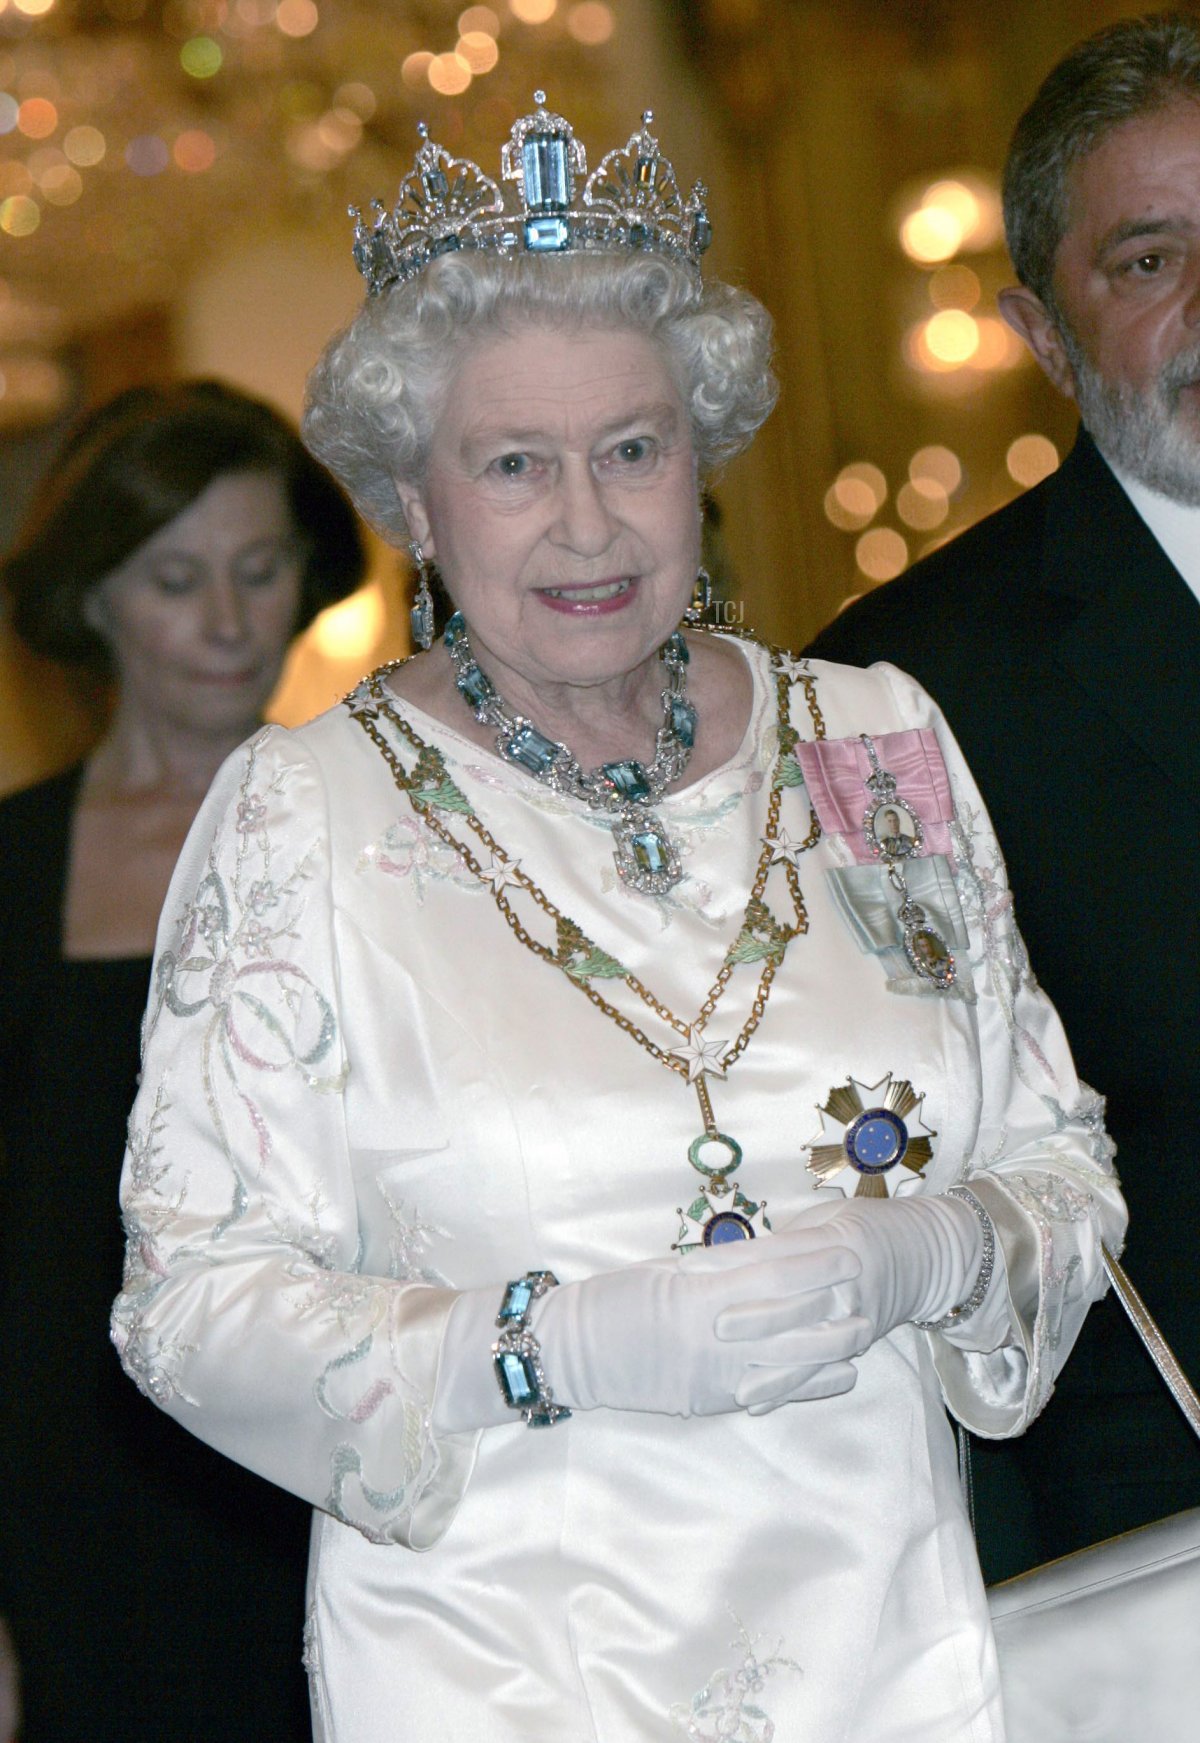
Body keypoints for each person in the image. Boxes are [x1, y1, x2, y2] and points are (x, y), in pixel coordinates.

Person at [110, 102, 1125, 1742]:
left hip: (893, 1652)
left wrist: (935, 1247)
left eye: (633, 450)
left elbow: (1060, 1166)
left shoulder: (876, 744)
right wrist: (555, 1345)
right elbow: (188, 1305)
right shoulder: (305, 815)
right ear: (418, 510)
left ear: (701, 463)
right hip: (501, 1673)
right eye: (513, 465)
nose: (586, 523)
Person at [804, 10, 1200, 1583]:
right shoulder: (888, 703)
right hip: (1150, 1548)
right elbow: (908, 1205)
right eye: (1150, 260)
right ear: (1044, 333)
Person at [0, 378, 366, 1738]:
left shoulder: (388, 836)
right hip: (71, 1506)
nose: (228, 623)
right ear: (92, 600)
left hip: (331, 1481)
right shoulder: (12, 870)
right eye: (175, 578)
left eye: (261, 568)